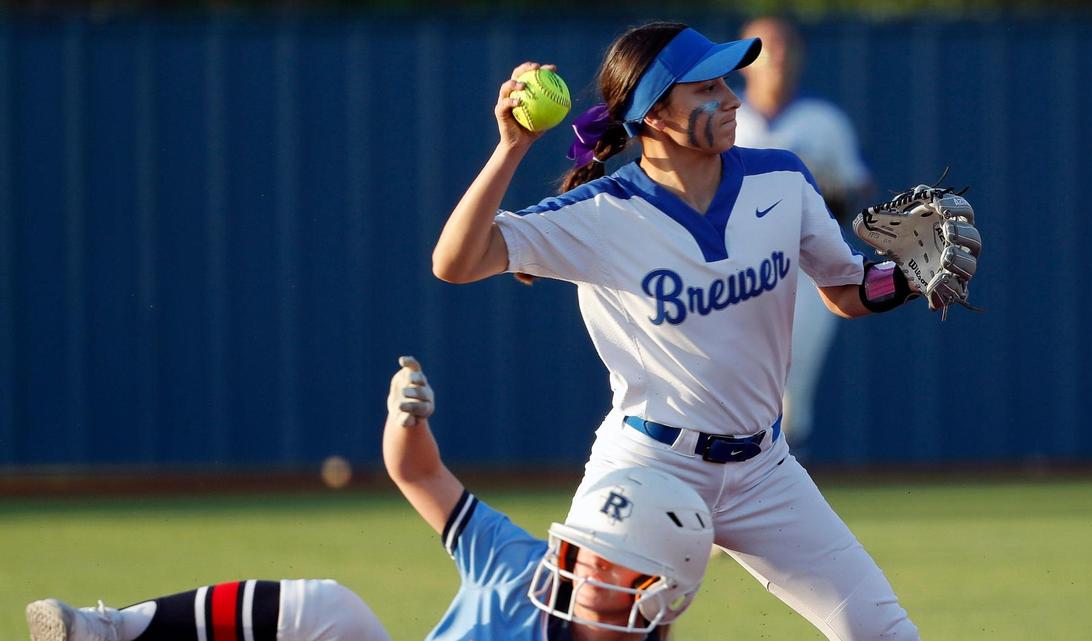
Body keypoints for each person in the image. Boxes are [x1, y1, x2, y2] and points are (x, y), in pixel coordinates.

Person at [432, 21, 922, 641]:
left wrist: (907, 278)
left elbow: (847, 290)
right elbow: (455, 263)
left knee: (884, 633)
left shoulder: (780, 179)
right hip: (648, 468)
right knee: (587, 634)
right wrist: (513, 147)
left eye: (726, 84)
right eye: (708, 89)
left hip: (764, 470)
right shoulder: (603, 213)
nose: (733, 99)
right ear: (655, 115)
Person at [25, 357, 714, 641]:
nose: (586, 567)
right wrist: (404, 422)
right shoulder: (519, 569)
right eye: (587, 548)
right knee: (332, 607)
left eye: (610, 560)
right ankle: (115, 631)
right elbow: (418, 474)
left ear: (660, 590)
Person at [734, 16, 876, 446]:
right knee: (736, 383)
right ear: (744, 62)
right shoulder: (727, 115)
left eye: (784, 45)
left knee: (791, 392)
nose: (776, 54)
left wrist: (830, 187)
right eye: (764, 46)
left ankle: (780, 492)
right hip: (732, 264)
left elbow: (855, 190)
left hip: (804, 264)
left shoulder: (823, 122)